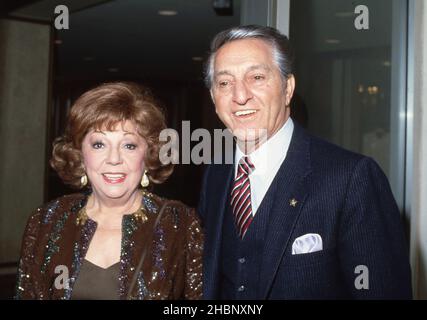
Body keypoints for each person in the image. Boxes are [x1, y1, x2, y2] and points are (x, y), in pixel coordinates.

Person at [198, 25, 412, 299]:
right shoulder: (215, 177)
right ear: (214, 97)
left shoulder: (351, 178)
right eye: (224, 83)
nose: (240, 96)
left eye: (257, 77)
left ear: (287, 89)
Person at [16, 82, 203, 300]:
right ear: (79, 153)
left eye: (129, 146)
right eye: (99, 145)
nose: (114, 159)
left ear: (149, 155)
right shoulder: (46, 220)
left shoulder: (179, 225)